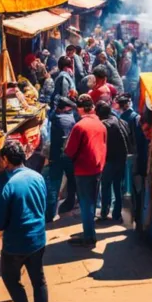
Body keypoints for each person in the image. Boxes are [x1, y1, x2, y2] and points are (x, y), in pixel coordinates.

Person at [0, 140, 48, 302]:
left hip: (16, 244)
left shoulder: (7, 184)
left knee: (10, 279)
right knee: (39, 281)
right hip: (38, 238)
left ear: (6, 160)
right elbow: (43, 206)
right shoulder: (38, 177)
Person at [64, 95, 106, 247]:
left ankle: (89, 237)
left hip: (83, 170)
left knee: (86, 204)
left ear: (80, 109)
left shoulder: (79, 126)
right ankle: (90, 232)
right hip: (97, 168)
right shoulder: (100, 124)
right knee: (92, 202)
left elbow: (70, 151)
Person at [97, 101, 132, 223]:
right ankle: (117, 214)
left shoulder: (104, 125)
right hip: (122, 160)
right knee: (118, 188)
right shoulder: (123, 122)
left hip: (109, 161)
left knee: (106, 187)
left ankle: (104, 213)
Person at [45, 97, 78, 221]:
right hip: (69, 156)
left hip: (57, 157)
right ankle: (69, 204)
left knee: (54, 185)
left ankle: (51, 214)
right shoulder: (71, 118)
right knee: (71, 181)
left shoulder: (56, 119)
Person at [118, 94, 146, 228]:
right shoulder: (135, 117)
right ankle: (137, 216)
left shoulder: (121, 119)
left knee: (128, 187)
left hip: (126, 155)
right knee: (136, 187)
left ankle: (132, 217)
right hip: (135, 155)